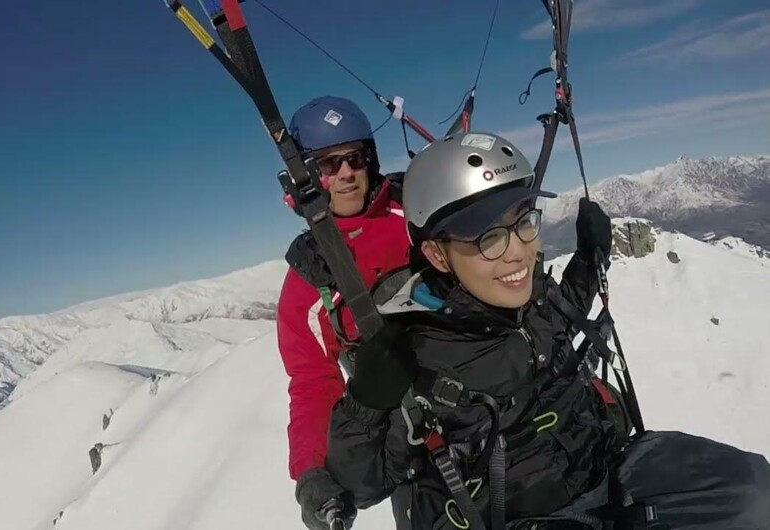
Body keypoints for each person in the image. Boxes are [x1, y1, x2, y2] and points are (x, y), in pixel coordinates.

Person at [324, 132, 770, 529]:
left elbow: (564, 310)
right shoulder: (417, 355)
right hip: (523, 514)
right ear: (439, 256)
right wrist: (365, 405)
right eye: (488, 238)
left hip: (607, 468)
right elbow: (362, 487)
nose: (517, 252)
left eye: (523, 221)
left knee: (754, 490)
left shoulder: (528, 296)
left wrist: (589, 260)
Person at [275, 96, 412, 530]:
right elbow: (314, 380)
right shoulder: (310, 281)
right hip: (411, 436)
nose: (347, 173)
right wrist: (311, 471)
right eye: (329, 164)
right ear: (307, 179)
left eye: (354, 158)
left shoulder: (417, 209)